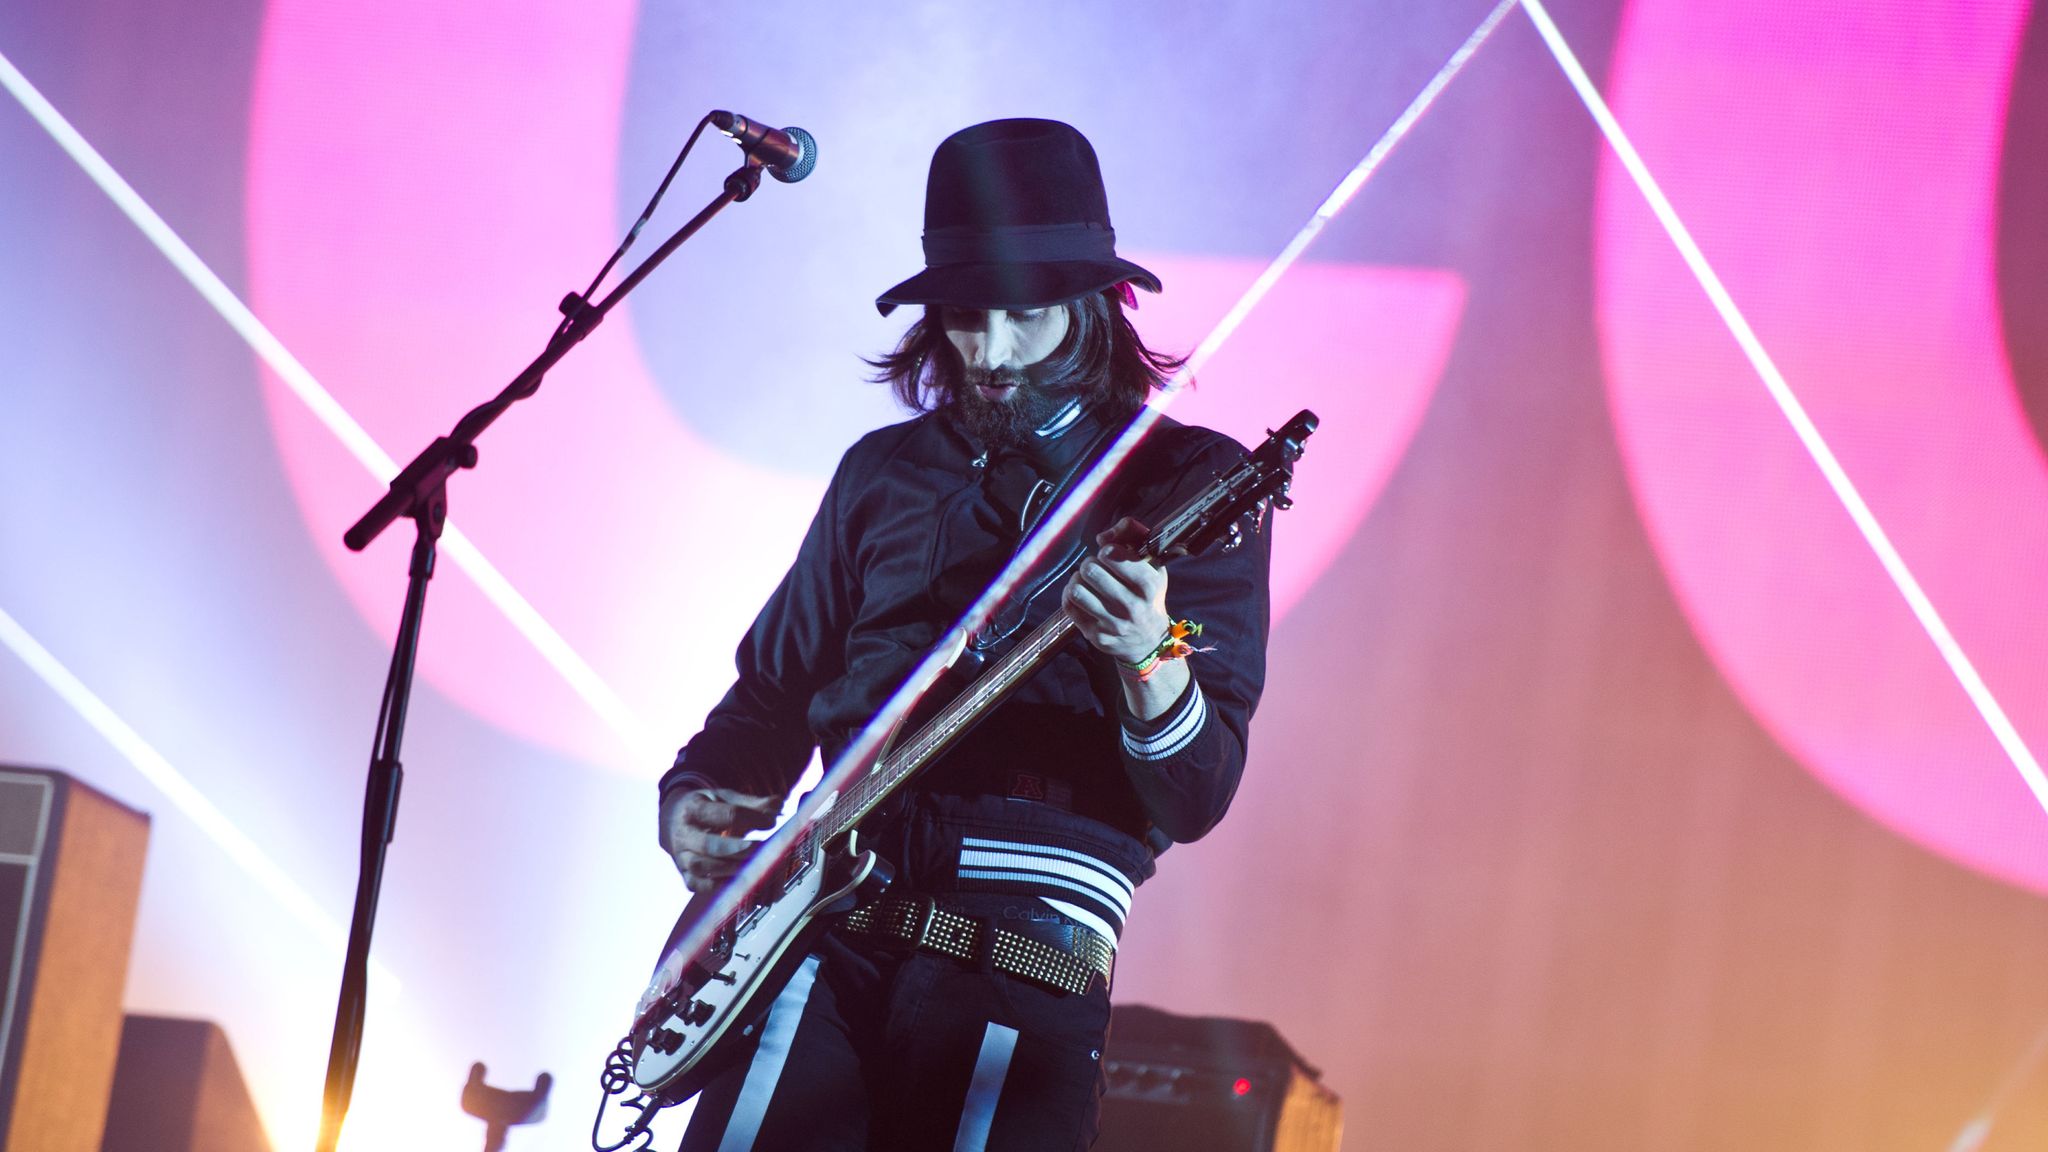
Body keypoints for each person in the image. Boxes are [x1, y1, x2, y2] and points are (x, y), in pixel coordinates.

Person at [657, 118, 1271, 1152]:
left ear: (1093, 302)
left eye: (1019, 316)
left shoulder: (1187, 485)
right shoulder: (882, 473)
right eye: (960, 316)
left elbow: (1197, 790)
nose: (986, 353)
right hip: (817, 923)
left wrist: (1148, 658)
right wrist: (696, 798)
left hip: (1021, 936)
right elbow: (769, 695)